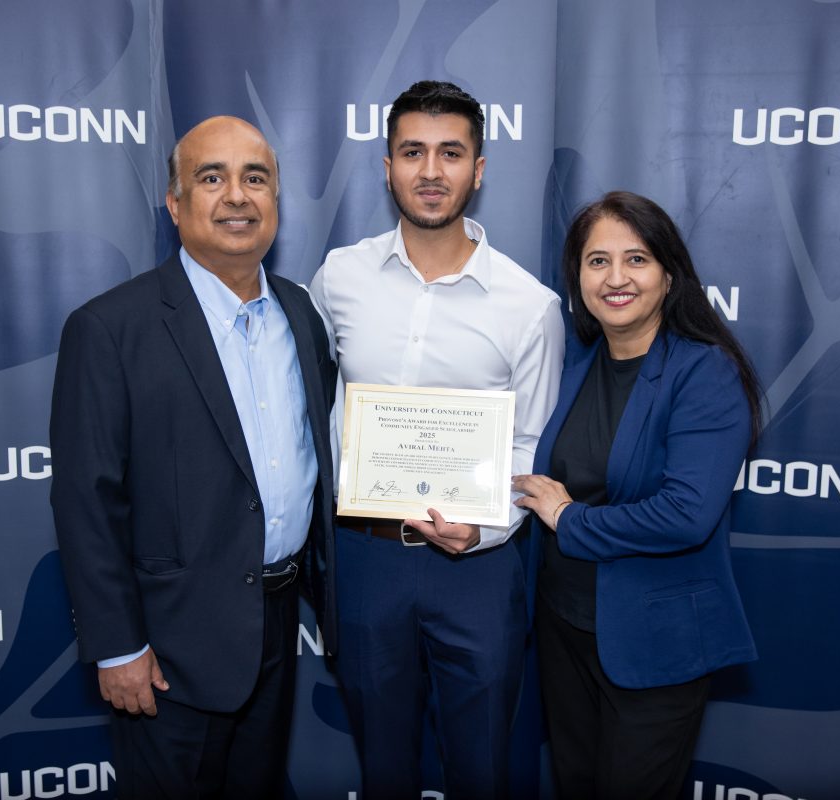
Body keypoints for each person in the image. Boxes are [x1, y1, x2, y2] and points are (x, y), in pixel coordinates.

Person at [49, 116, 336, 799]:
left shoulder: (300, 313)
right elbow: (87, 501)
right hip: (167, 651)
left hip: (276, 626)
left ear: (275, 202)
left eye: (255, 178)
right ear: (175, 205)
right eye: (212, 178)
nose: (237, 195)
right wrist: (118, 646)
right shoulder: (109, 328)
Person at [309, 80, 564, 799]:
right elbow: (315, 401)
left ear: (478, 170)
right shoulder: (339, 278)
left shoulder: (530, 306)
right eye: (412, 152)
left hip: (478, 571)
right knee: (383, 770)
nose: (430, 171)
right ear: (387, 166)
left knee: (481, 769)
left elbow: (531, 442)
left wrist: (484, 530)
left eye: (450, 153)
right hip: (366, 559)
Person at [512, 190, 760, 800]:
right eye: (597, 261)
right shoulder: (577, 362)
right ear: (578, 278)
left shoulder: (705, 372)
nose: (616, 278)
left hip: (653, 643)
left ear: (669, 274)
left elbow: (686, 515)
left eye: (637, 259)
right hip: (563, 628)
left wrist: (569, 518)